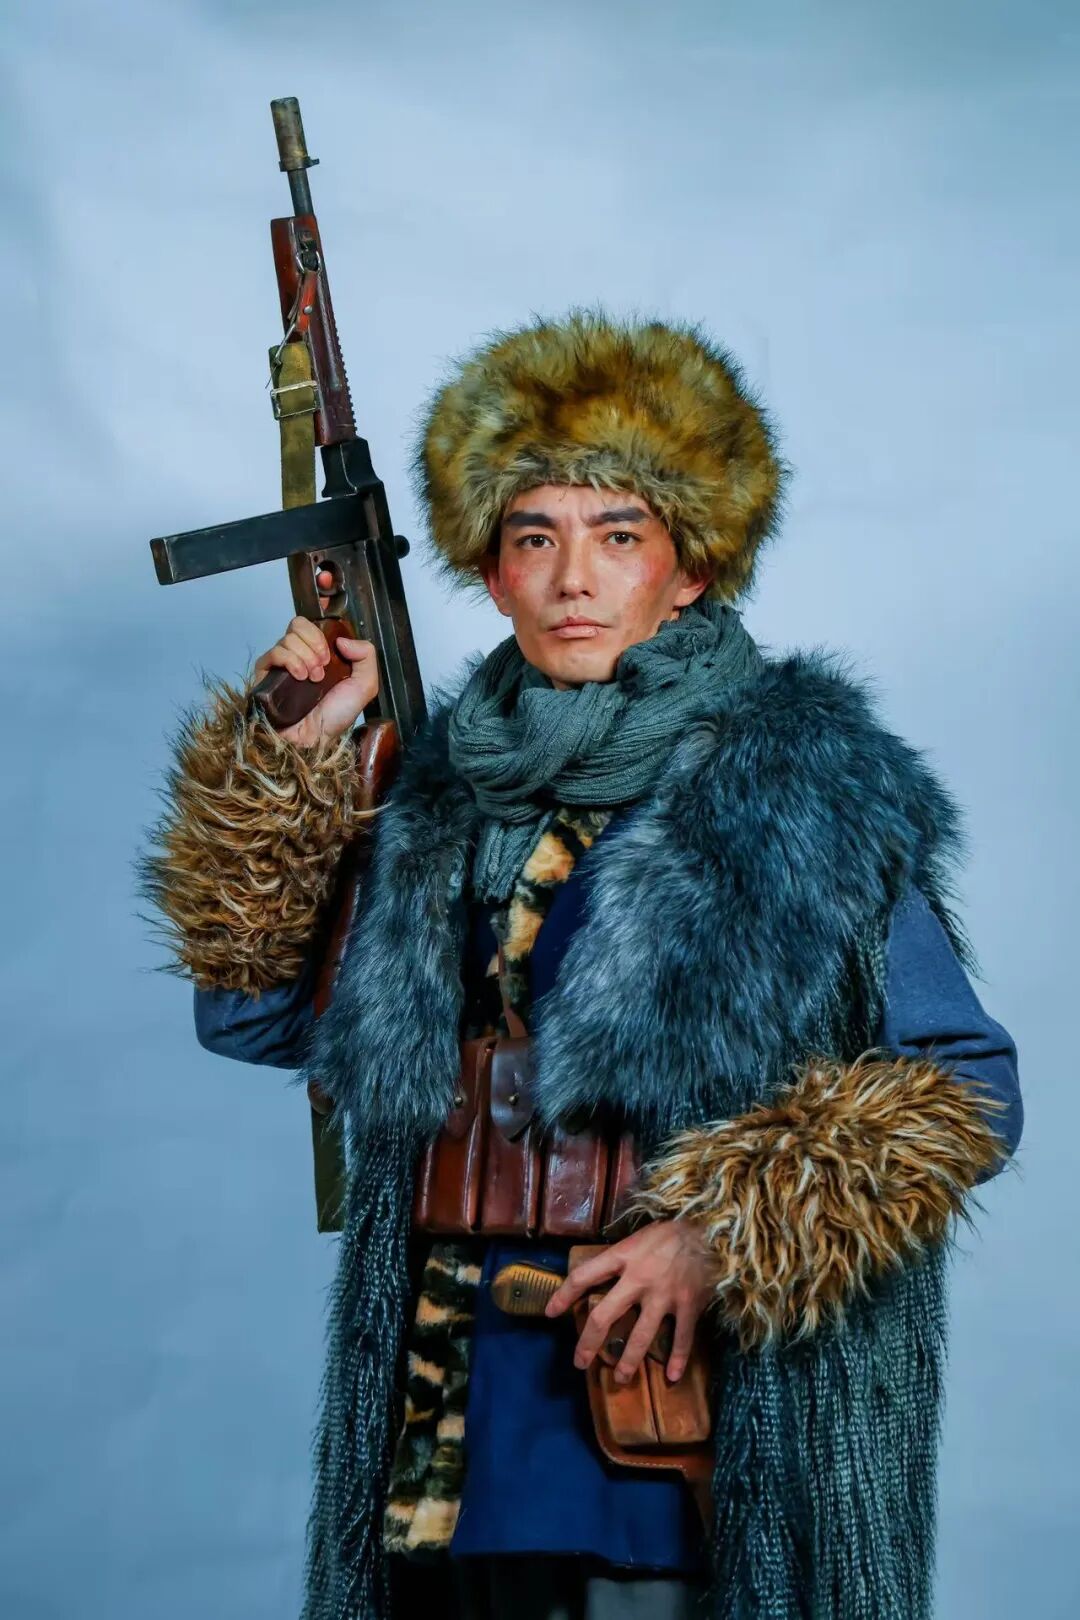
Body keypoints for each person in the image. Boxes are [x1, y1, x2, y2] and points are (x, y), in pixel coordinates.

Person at [138, 309, 1023, 1620]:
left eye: (618, 536)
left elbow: (964, 1089)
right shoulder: (439, 789)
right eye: (534, 537)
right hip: (448, 1415)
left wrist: (726, 1235)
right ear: (490, 574)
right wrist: (302, 773)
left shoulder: (795, 790)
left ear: (691, 568)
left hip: (670, 1406)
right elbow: (257, 1019)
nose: (572, 580)